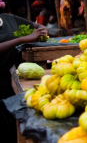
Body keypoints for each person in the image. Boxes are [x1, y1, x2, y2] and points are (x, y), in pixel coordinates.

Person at [0, 13, 47, 142]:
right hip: (0, 80)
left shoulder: (9, 18)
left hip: (16, 78)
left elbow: (36, 25)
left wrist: (41, 29)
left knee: (17, 118)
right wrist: (22, 39)